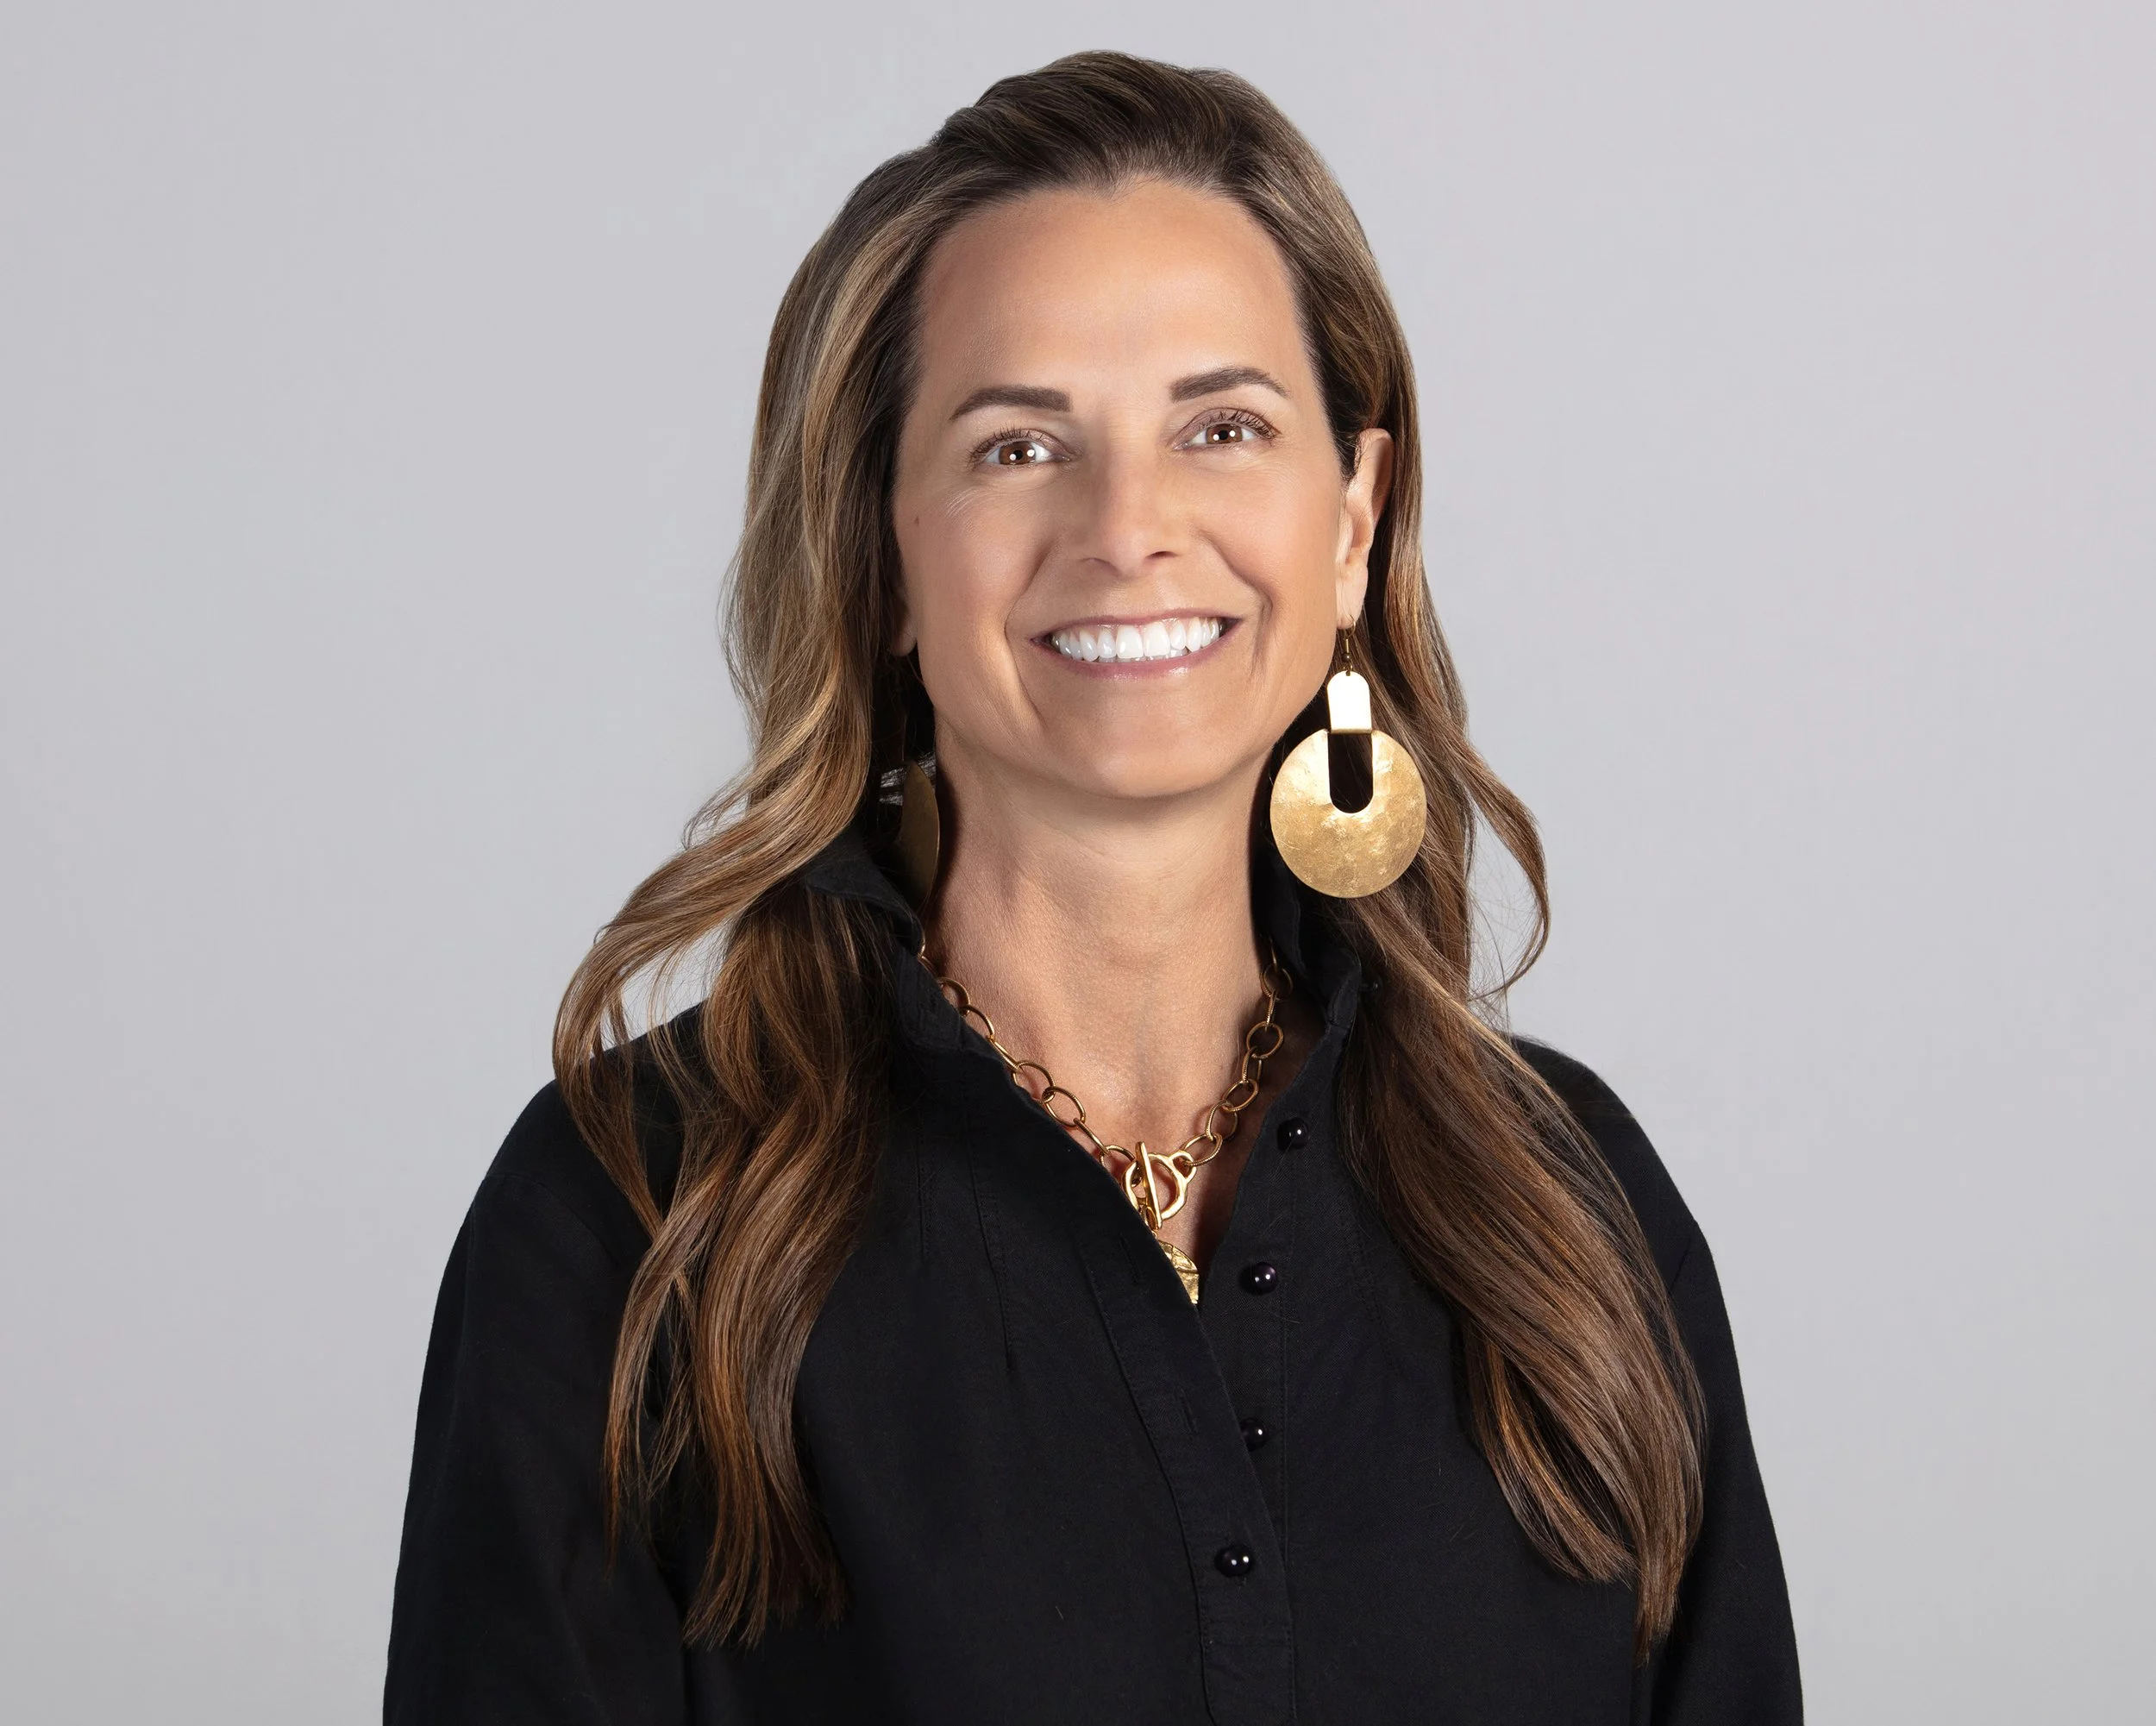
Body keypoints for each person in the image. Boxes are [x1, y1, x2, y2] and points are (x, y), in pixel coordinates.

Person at [385, 51, 1801, 1725]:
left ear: (1350, 520)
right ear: (884, 550)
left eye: (1221, 427)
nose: (1129, 526)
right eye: (1016, 447)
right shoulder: (629, 1222)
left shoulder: (1577, 1216)